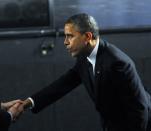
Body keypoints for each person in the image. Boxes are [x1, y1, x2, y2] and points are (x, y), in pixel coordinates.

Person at [20, 13, 151, 131]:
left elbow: (140, 109)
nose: (65, 42)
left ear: (87, 36)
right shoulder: (85, 57)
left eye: (70, 36)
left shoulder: (117, 63)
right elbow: (62, 85)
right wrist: (27, 103)